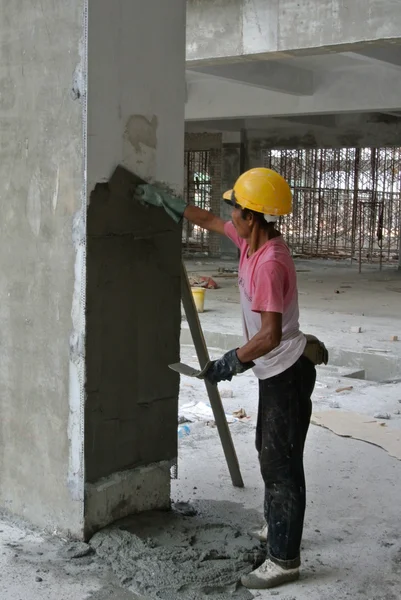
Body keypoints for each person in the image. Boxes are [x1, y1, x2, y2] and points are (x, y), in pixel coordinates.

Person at [135, 168, 328, 590]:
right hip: (274, 371)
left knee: (281, 464)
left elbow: (270, 334)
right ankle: (276, 523)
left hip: (286, 371)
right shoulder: (248, 241)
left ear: (253, 216)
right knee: (269, 451)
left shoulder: (270, 264)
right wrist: (171, 204)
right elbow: (206, 220)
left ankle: (284, 559)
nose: (231, 215)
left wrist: (231, 362)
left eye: (236, 209)